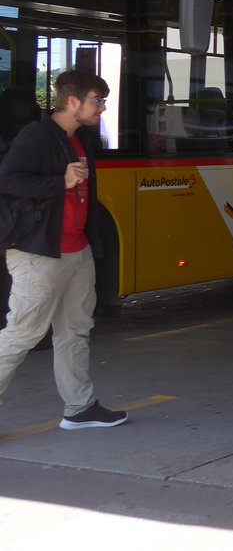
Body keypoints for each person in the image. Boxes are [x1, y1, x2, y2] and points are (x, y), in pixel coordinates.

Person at [0, 70, 126, 429]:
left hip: (76, 251)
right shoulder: (36, 135)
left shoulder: (80, 139)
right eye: (97, 101)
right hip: (39, 253)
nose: (102, 108)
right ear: (73, 101)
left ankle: (80, 407)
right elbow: (6, 179)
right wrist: (62, 181)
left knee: (75, 330)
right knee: (22, 334)